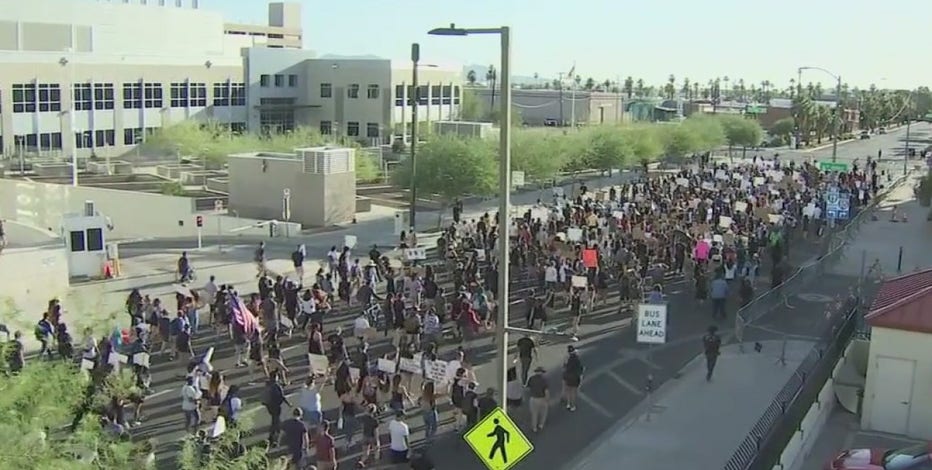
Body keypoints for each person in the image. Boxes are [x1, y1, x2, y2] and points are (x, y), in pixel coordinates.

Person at [526, 366, 549, 432]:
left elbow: (528, 388)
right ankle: (541, 425)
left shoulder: (531, 378)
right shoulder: (544, 380)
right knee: (543, 413)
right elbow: (546, 391)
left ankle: (534, 427)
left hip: (533, 399)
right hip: (542, 398)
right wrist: (547, 399)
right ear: (542, 372)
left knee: (534, 414)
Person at [562, 345, 584, 412]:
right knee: (573, 392)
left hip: (567, 376)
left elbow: (564, 366)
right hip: (575, 377)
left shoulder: (567, 358)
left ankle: (568, 404)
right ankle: (572, 406)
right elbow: (580, 369)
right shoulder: (577, 359)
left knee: (568, 390)